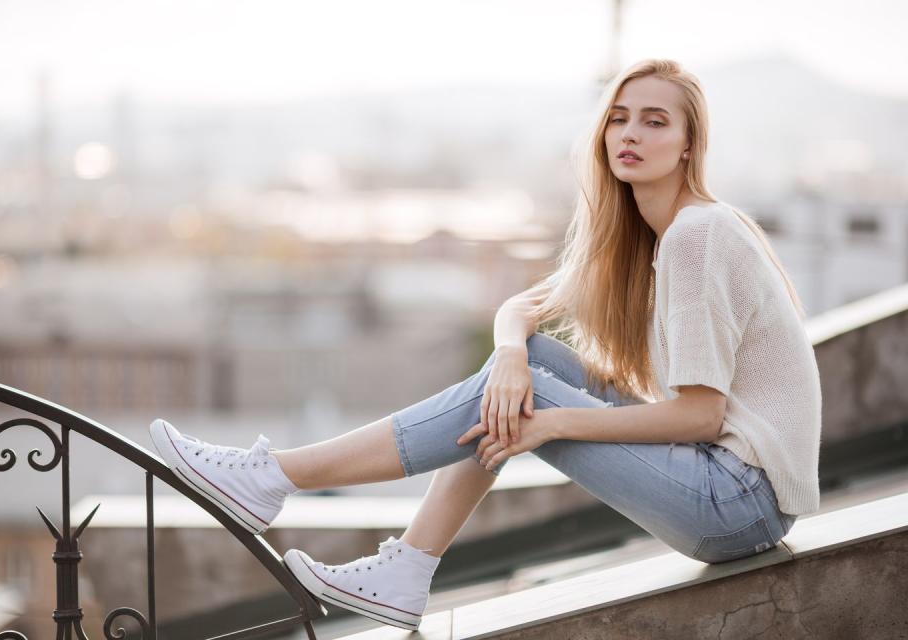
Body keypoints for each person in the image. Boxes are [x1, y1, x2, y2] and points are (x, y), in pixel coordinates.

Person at [148, 58, 821, 632]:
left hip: (738, 502)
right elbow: (522, 309)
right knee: (525, 369)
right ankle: (404, 569)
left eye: (654, 120)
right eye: (619, 117)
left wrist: (550, 420)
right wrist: (507, 358)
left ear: (687, 146)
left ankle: (275, 479)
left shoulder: (697, 235)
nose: (630, 133)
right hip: (723, 487)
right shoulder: (646, 236)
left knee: (522, 398)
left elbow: (701, 415)